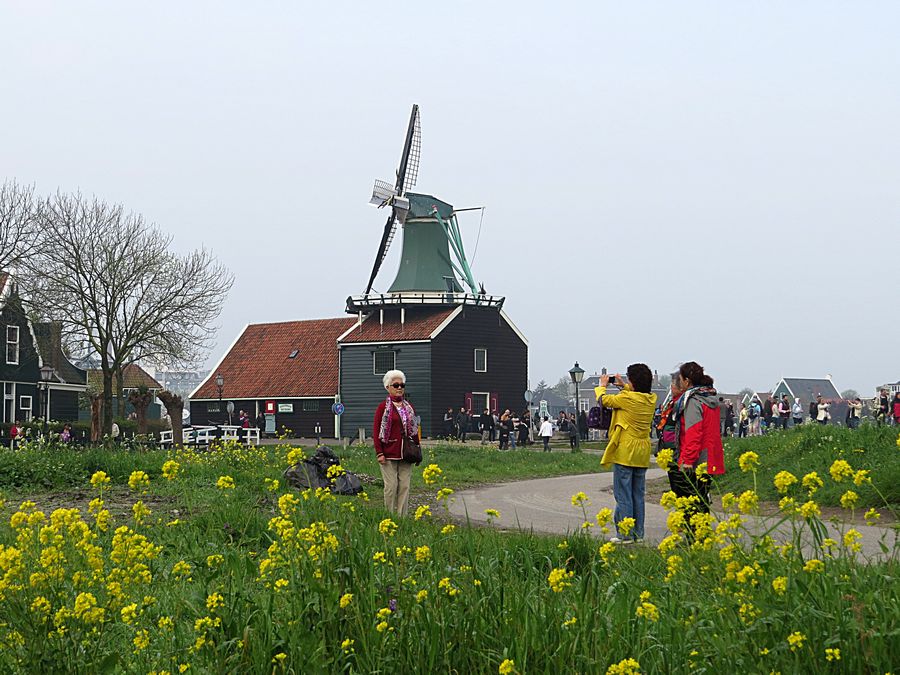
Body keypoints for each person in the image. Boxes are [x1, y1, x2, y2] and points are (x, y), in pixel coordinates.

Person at [596, 364, 656, 544]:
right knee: (638, 494)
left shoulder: (626, 399)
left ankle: (625, 533)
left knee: (623, 493)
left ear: (633, 382)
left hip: (625, 450)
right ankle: (638, 533)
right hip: (642, 451)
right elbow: (636, 392)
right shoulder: (651, 399)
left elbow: (604, 400)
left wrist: (602, 385)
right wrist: (623, 385)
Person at [669, 361, 725, 525]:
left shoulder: (693, 401)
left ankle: (694, 537)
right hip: (710, 456)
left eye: (680, 379)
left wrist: (687, 460)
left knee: (692, 501)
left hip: (697, 459)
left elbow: (693, 432)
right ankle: (702, 536)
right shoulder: (709, 397)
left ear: (686, 381)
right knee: (702, 499)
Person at [373, 369, 417, 516]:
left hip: (407, 453)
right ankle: (389, 515)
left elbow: (414, 430)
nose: (399, 388)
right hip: (389, 452)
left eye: (402, 385)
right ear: (388, 387)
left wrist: (417, 450)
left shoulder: (409, 407)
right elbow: (376, 431)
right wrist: (379, 452)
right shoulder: (382, 408)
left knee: (404, 485)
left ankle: (402, 518)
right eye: (396, 385)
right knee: (391, 486)